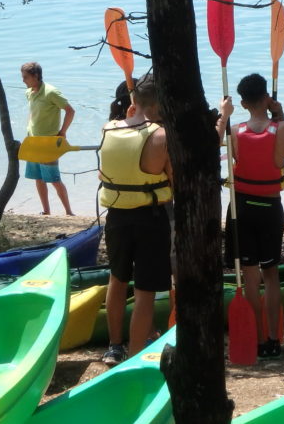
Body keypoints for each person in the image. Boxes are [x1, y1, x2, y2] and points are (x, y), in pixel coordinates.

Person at [217, 73, 284, 359]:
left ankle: (258, 339)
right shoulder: (283, 127)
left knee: (250, 277)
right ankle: (273, 339)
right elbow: (283, 153)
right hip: (270, 208)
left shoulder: (235, 131)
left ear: (242, 102)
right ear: (266, 97)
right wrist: (279, 112)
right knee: (271, 275)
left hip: (242, 209)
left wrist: (224, 116)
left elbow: (215, 142)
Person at [99, 76, 173, 365]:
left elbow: (104, 174)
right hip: (149, 218)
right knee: (145, 289)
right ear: (159, 103)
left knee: (117, 279)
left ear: (134, 101)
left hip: (116, 217)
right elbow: (174, 182)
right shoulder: (160, 136)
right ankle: (136, 352)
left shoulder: (108, 129)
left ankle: (114, 347)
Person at [20, 61, 75, 216]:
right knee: (38, 178)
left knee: (54, 179)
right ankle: (46, 211)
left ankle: (69, 212)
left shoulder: (51, 92)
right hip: (33, 141)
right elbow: (33, 114)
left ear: (35, 76)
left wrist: (63, 132)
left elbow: (70, 111)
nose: (23, 80)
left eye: (25, 77)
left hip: (48, 143)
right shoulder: (29, 92)